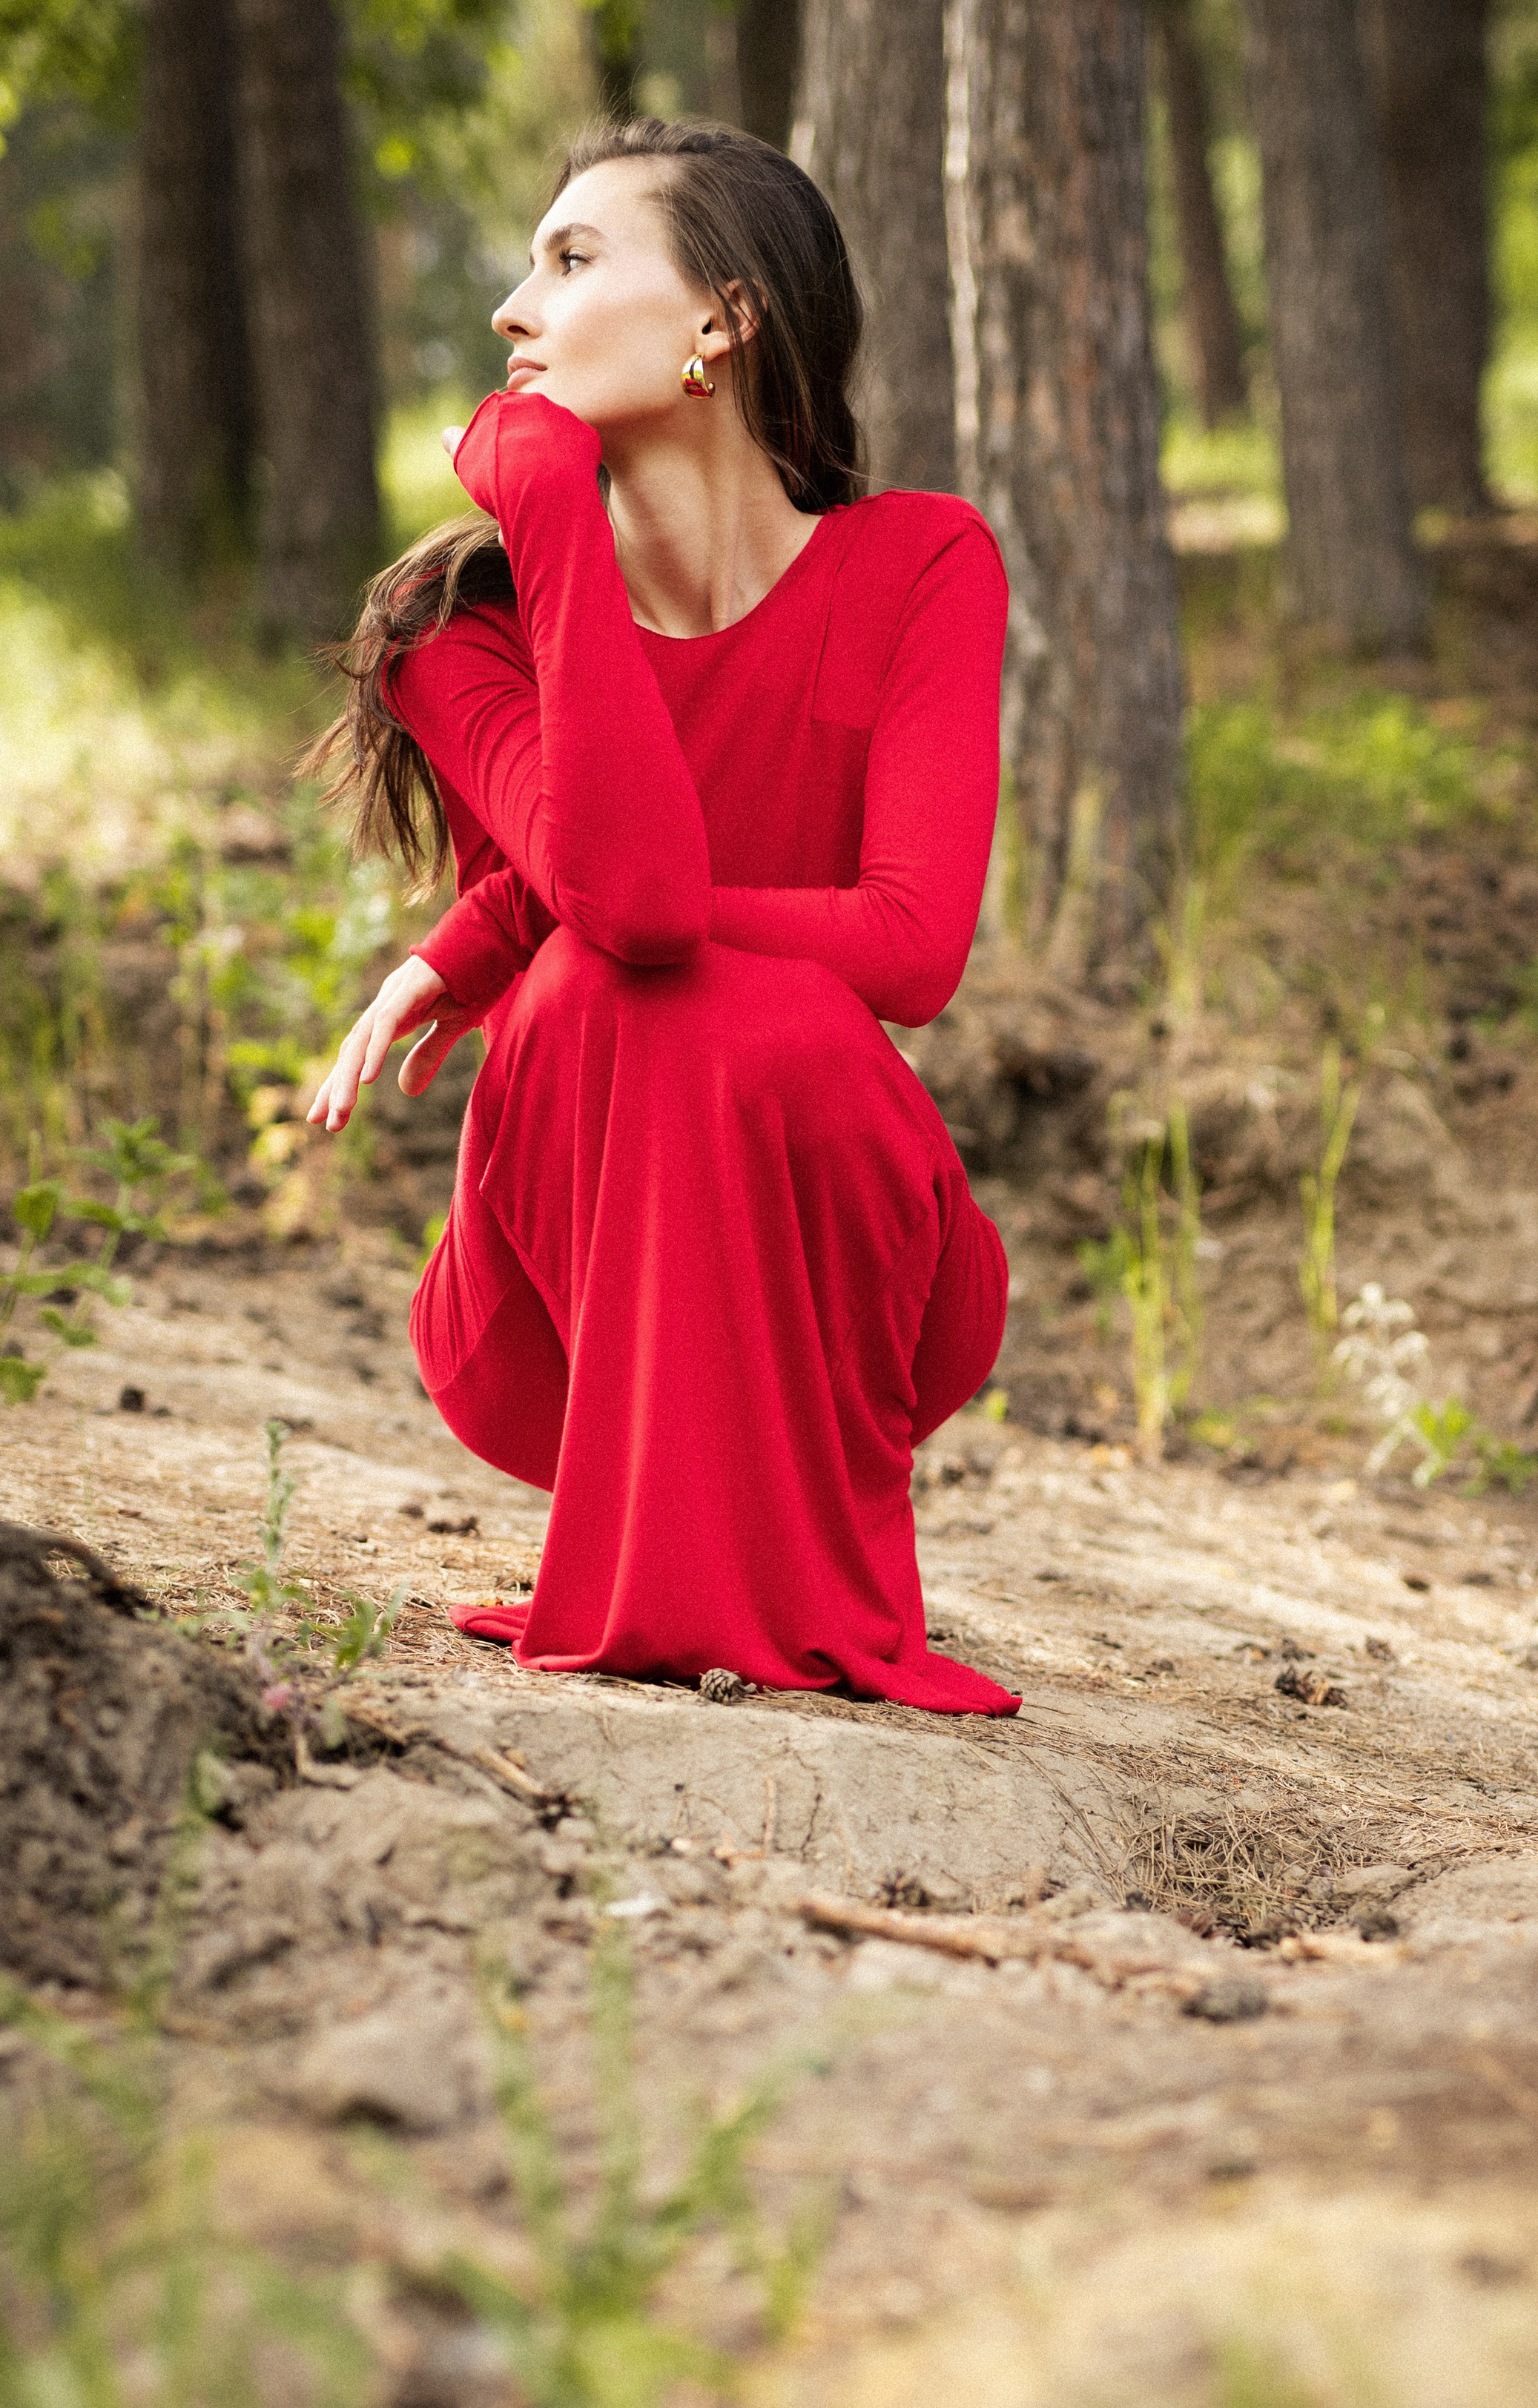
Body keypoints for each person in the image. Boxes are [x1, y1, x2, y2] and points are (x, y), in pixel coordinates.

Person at [304, 118, 1018, 1716]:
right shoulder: (456, 636)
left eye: (568, 260)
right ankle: (664, 1556)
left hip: (848, 1282)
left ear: (722, 319)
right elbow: (618, 906)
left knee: (692, 994)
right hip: (559, 1308)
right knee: (595, 992)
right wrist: (550, 528)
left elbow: (906, 951)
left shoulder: (920, 564)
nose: (511, 310)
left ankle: (731, 1563)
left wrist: (489, 932)